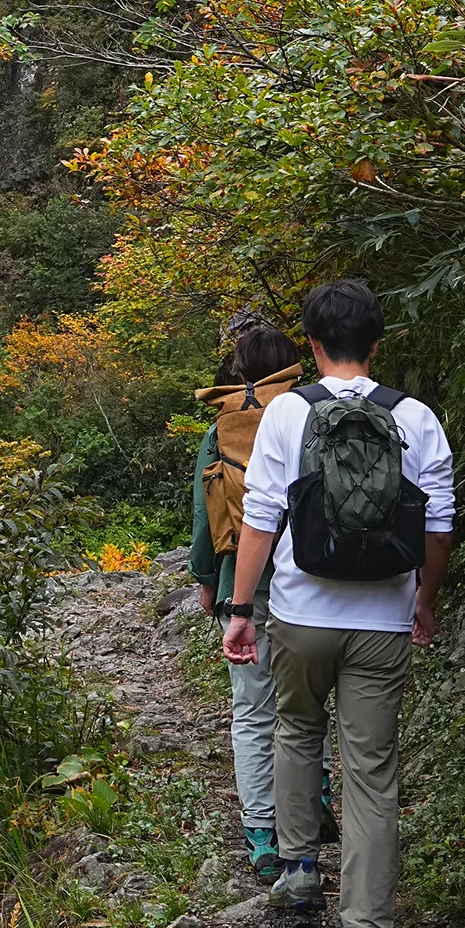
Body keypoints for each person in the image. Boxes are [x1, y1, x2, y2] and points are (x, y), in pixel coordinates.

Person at [224, 277, 455, 928]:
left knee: (295, 730)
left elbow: (261, 517)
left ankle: (298, 872)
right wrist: (424, 600)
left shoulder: (288, 413)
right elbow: (438, 522)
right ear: (377, 344)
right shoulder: (415, 417)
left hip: (301, 612)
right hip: (382, 621)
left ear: (314, 346)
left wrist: (240, 607)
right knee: (372, 773)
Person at [189, 320, 304, 879]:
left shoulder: (222, 424)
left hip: (245, 584)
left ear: (240, 373)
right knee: (306, 706)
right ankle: (314, 803)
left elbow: (205, 513)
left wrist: (209, 585)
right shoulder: (311, 412)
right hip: (310, 580)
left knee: (252, 711)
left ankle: (261, 831)